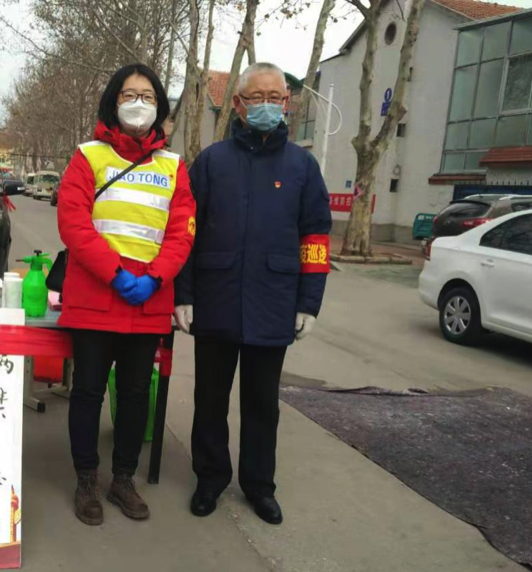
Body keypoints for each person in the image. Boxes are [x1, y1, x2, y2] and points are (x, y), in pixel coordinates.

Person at [174, 62, 331, 525]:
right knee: (210, 400)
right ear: (239, 105)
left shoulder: (303, 167)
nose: (267, 105)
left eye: (275, 97)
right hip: (216, 298)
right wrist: (183, 294)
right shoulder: (212, 163)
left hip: (274, 301)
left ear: (287, 103)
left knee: (262, 405)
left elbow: (315, 238)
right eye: (256, 97)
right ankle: (210, 478)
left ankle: (260, 485)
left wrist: (309, 302)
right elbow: (186, 234)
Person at [57, 63, 196, 526]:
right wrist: (116, 275)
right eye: (129, 95)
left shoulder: (173, 166)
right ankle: (86, 480)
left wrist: (155, 278)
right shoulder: (88, 156)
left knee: (136, 394)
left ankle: (122, 479)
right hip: (95, 296)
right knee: (88, 392)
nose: (139, 104)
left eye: (148, 96)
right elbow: (73, 223)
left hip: (147, 300)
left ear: (160, 107)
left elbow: (182, 232)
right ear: (113, 102)